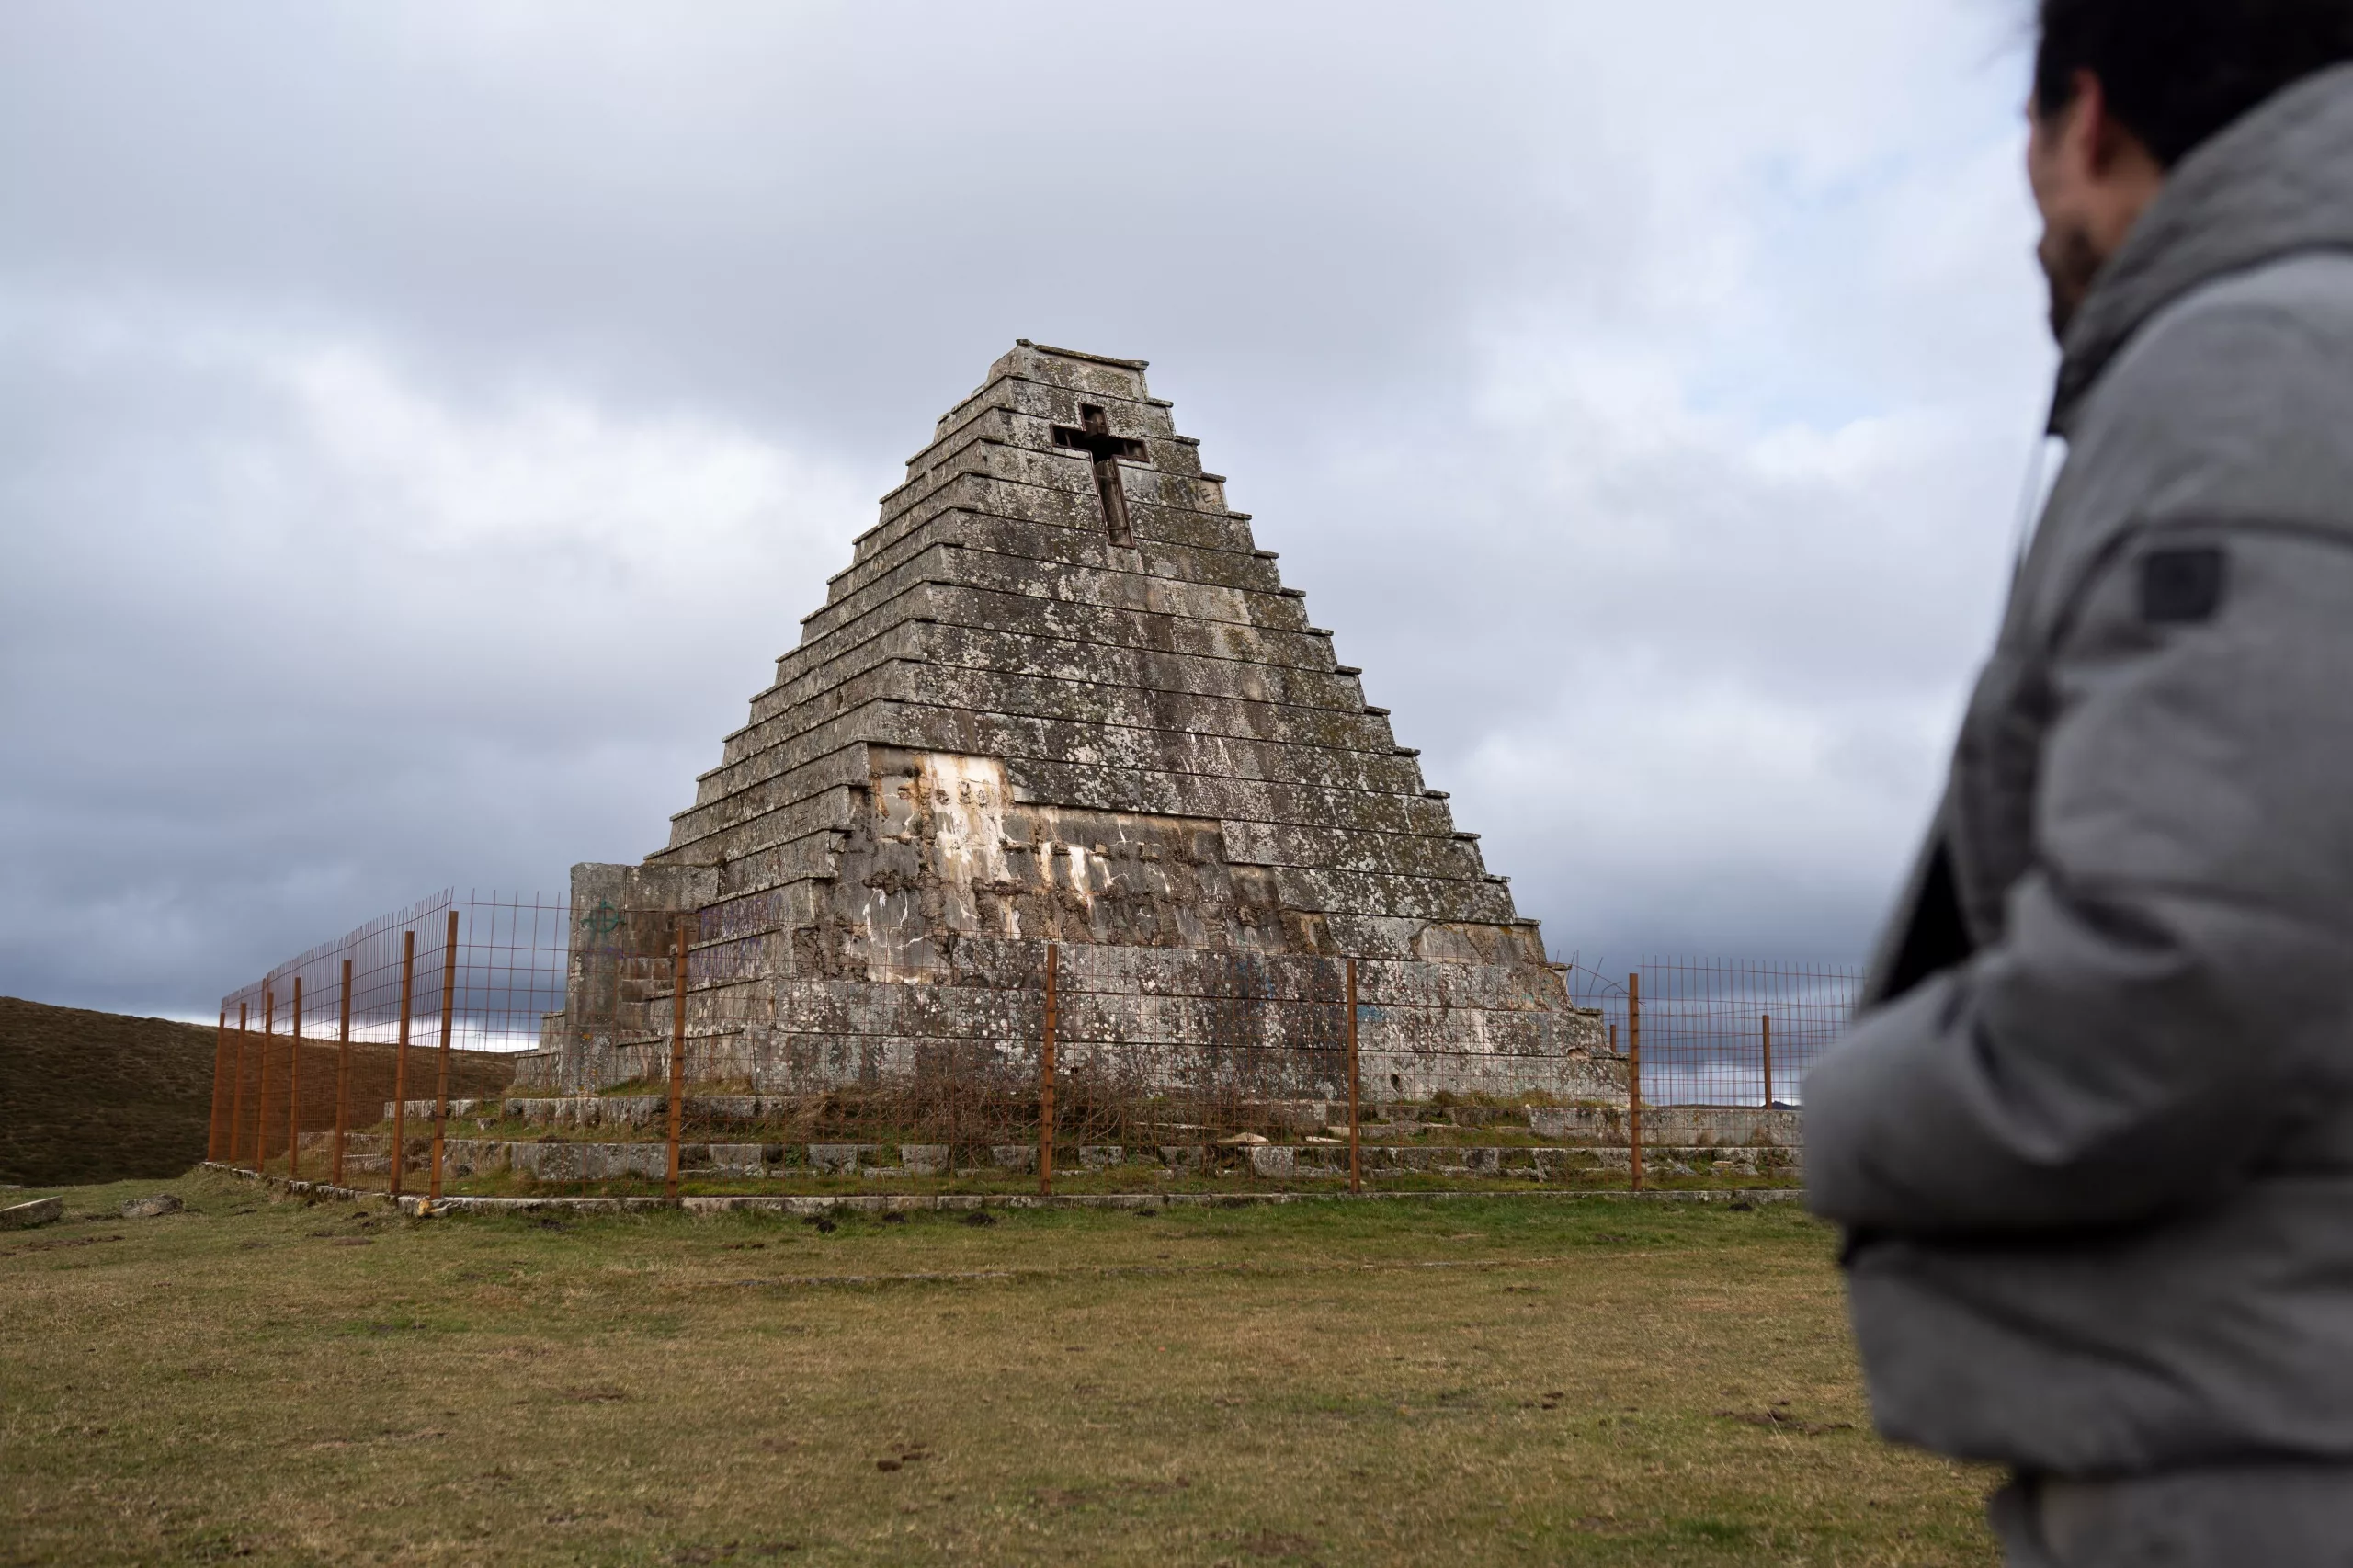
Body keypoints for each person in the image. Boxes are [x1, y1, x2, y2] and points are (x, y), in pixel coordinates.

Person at [1803, 2, 2353, 1562]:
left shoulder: (2254, 364)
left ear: (2083, 121)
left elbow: (2182, 980)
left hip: (2261, 1450)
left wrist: (1847, 1116)